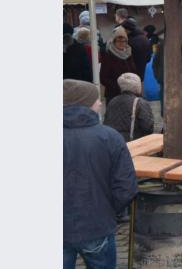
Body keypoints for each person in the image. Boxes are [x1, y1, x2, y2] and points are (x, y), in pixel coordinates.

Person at [64, 79, 138, 269]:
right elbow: (126, 187)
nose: (99, 103)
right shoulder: (109, 137)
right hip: (97, 225)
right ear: (86, 103)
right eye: (96, 100)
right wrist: (109, 211)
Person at [104, 72, 154, 141]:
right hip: (133, 143)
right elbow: (148, 127)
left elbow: (106, 123)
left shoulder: (113, 101)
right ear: (137, 86)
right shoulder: (140, 103)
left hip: (113, 141)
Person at [100, 26, 138, 102]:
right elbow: (103, 78)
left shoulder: (129, 54)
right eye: (118, 41)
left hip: (129, 93)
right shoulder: (108, 56)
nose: (121, 43)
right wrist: (119, 86)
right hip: (113, 95)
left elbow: (134, 71)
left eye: (123, 41)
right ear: (114, 42)